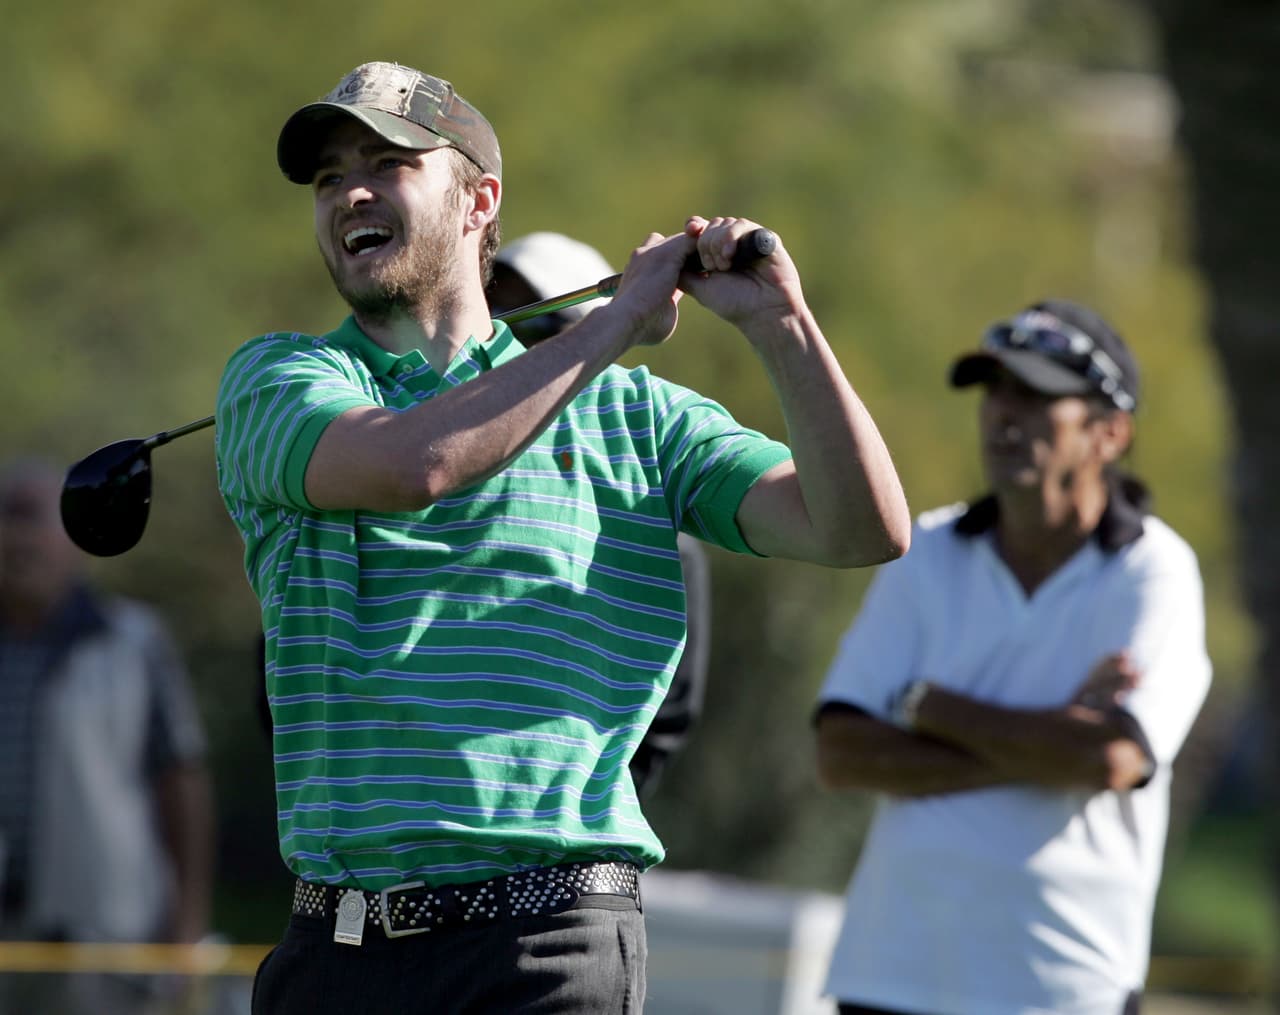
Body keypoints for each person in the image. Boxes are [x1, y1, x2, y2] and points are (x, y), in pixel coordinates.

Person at [216, 60, 910, 1014]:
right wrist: (617, 322)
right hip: (338, 951)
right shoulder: (279, 380)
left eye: (388, 163)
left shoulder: (641, 417)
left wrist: (784, 326)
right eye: (331, 177)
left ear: (477, 201)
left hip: (547, 948)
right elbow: (416, 465)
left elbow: (860, 527)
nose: (352, 194)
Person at [813, 300, 1212, 1015]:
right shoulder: (925, 549)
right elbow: (842, 752)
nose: (1003, 413)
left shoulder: (1155, 571)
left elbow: (1112, 759)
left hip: (1062, 986)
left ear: (1109, 432)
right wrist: (1049, 742)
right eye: (994, 390)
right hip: (888, 973)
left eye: (1034, 395)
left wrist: (927, 708)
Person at [487, 231, 712, 798]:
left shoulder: (658, 524)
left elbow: (662, 725)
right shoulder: (403, 468)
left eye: (536, 326)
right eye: (495, 319)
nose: (509, 351)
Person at [0, 458, 213, 1010]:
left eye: (29, 518)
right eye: (5, 519)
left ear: (72, 534)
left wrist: (186, 929)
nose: (15, 539)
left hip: (107, 940)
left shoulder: (133, 641)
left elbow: (181, 782)